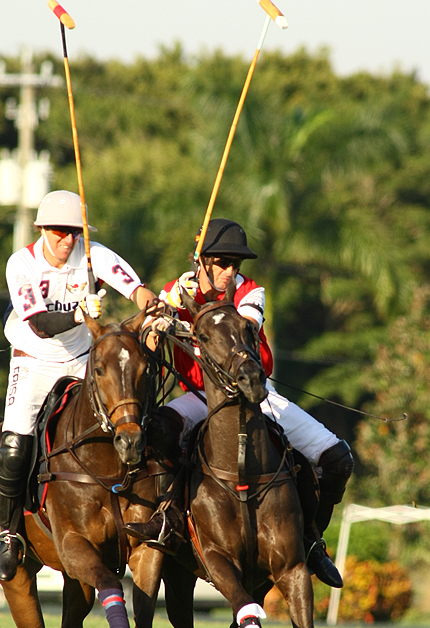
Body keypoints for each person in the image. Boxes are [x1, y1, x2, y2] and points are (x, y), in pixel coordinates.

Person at [126, 218, 353, 588]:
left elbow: (239, 329)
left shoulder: (250, 292)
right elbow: (146, 341)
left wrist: (185, 317)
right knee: (160, 428)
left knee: (338, 458)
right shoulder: (173, 292)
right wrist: (157, 321)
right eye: (223, 262)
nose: (231, 271)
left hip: (256, 397)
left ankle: (312, 541)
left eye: (236, 264)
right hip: (201, 398)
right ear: (201, 261)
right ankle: (168, 517)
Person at [0, 190, 158, 582]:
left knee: (131, 419)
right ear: (42, 230)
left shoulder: (92, 253)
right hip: (33, 360)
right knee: (14, 446)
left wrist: (152, 306)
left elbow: (135, 288)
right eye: (59, 232)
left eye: (73, 232)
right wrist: (80, 314)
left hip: (82, 362)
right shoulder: (22, 264)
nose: (67, 240)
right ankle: (8, 531)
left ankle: (147, 512)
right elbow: (39, 324)